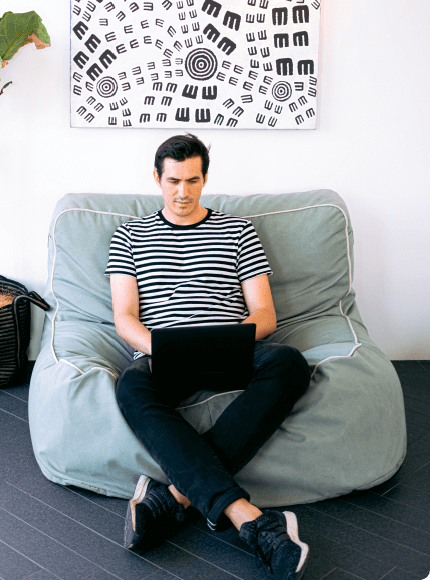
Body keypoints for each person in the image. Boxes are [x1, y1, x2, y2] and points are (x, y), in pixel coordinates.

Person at [105, 134, 311, 579]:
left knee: (290, 362)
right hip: (164, 352)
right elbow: (125, 319)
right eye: (174, 181)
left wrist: (230, 339)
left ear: (204, 179)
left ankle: (174, 497)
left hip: (231, 348)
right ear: (157, 179)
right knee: (132, 384)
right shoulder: (130, 235)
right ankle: (249, 520)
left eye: (193, 181)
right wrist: (160, 348)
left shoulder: (238, 230)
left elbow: (265, 314)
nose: (183, 192)